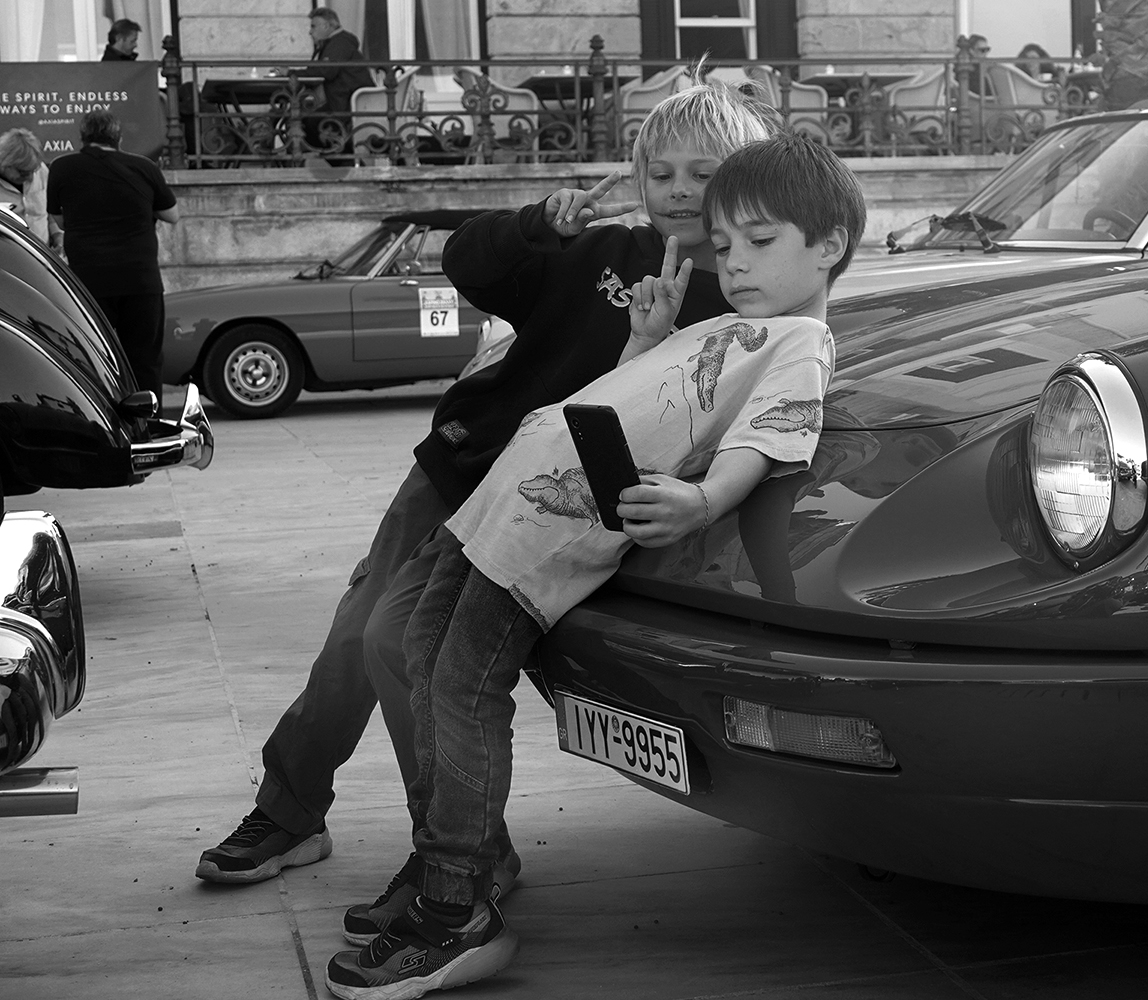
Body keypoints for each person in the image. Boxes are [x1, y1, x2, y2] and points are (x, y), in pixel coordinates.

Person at [194, 78, 781, 902]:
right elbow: (466, 261)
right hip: (461, 470)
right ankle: (294, 810)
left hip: (551, 510)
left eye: (705, 173)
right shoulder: (601, 251)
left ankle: (452, 851)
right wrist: (538, 225)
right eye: (661, 173)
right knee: (357, 636)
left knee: (404, 647)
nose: (679, 190)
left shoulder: (749, 300)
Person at [323, 131, 865, 1000]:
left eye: (760, 242)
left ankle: (457, 906)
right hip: (501, 512)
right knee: (423, 659)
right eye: (725, 244)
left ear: (829, 246)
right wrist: (646, 339)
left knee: (458, 686)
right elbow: (630, 401)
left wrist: (705, 499)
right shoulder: (727, 325)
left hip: (547, 538)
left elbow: (771, 435)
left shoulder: (799, 341)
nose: (735, 262)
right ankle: (444, 874)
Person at [45, 109, 177, 398]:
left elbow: (60, 220)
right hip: (139, 278)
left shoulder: (61, 167)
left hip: (89, 279)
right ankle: (148, 417)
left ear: (83, 137)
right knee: (144, 358)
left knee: (91, 355)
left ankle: (99, 414)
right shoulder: (144, 167)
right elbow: (172, 215)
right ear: (118, 137)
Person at [281, 7, 366, 150]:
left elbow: (325, 71)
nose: (310, 32)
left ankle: (340, 158)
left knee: (306, 123)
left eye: (313, 26)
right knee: (304, 120)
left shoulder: (339, 43)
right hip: (346, 102)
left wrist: (291, 73)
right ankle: (337, 156)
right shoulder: (338, 42)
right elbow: (322, 70)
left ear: (326, 26)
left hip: (347, 105)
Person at [0, 128, 61, 249]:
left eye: (33, 171)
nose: (30, 178)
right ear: (5, 164)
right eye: (23, 173)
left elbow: (50, 211)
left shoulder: (41, 171)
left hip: (42, 252)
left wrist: (58, 235)